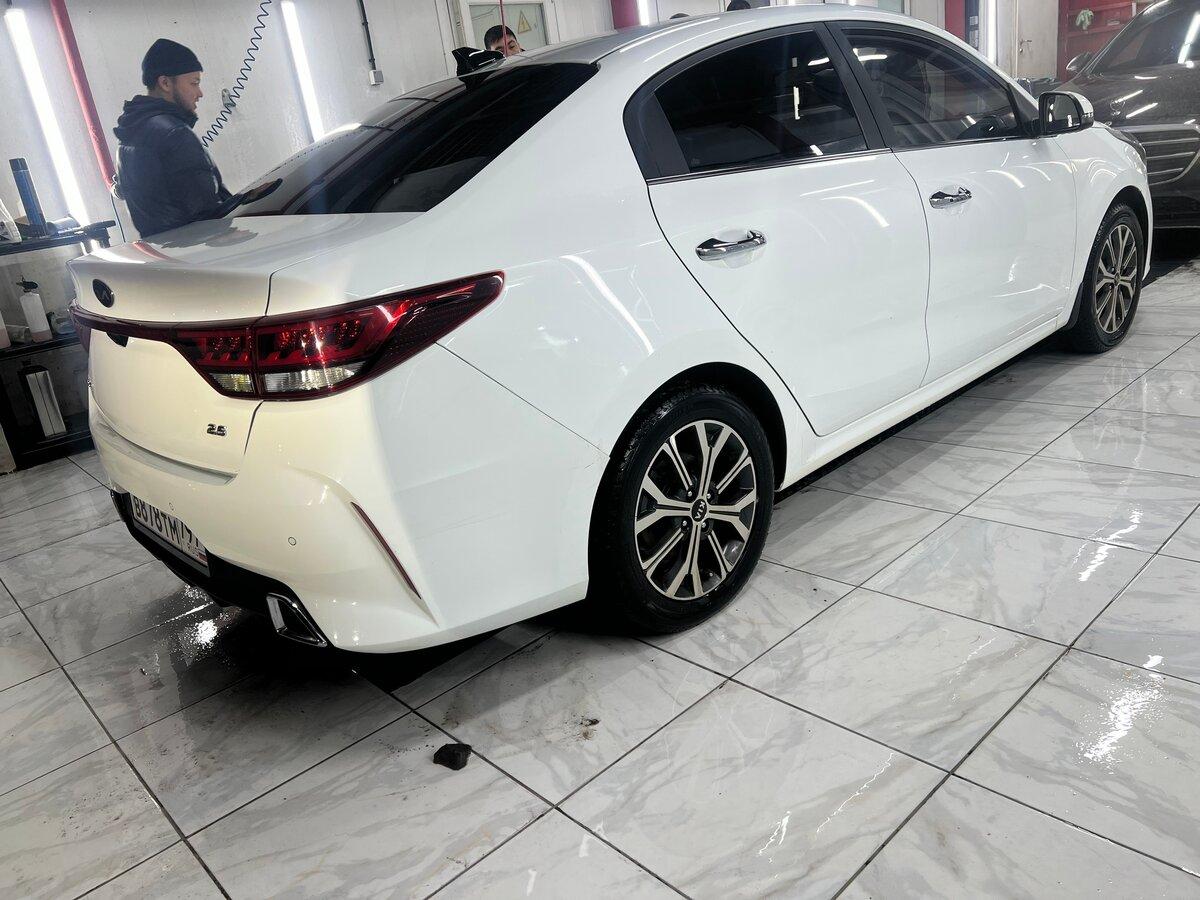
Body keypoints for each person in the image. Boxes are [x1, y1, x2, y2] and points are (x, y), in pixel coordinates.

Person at [113, 39, 231, 237]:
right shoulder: (174, 134)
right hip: (199, 247)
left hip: (164, 249)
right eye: (194, 83)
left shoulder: (132, 131)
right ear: (165, 83)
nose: (200, 93)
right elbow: (207, 215)